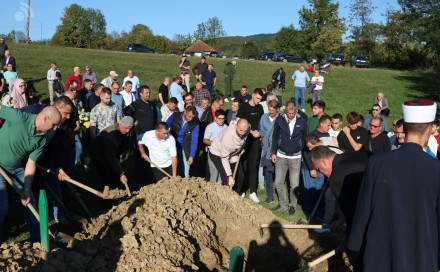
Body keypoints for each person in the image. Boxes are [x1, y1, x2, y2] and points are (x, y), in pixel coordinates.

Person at [348, 99, 440, 272]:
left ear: (404, 128)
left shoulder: (377, 162)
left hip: (380, 252)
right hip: (421, 255)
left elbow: (363, 209)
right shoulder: (436, 169)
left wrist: (355, 245)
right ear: (429, 130)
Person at [0, 105, 62, 242]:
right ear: (45, 118)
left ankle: (38, 239)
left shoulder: (42, 139)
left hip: (16, 168)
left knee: (30, 202)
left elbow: (31, 163)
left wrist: (27, 189)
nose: (55, 128)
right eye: (54, 125)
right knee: (2, 207)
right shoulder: (19, 117)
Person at [310, 145, 371, 271]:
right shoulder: (357, 154)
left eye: (319, 169)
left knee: (356, 255)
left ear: (323, 161)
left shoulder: (337, 178)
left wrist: (349, 238)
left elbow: (352, 214)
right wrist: (340, 220)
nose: (322, 174)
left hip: (371, 222)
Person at [271, 101, 307, 215]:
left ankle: (293, 206)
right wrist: (273, 152)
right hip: (281, 156)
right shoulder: (280, 119)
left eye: (292, 113)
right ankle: (282, 204)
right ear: (285, 111)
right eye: (288, 113)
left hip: (296, 157)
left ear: (296, 110)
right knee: (278, 183)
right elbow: (275, 136)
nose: (290, 115)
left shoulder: (302, 120)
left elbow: (305, 137)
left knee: (294, 184)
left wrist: (302, 153)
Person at [235, 88, 264, 203]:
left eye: (261, 99)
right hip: (244, 140)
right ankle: (241, 190)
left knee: (253, 167)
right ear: (253, 95)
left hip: (255, 142)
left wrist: (260, 133)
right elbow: (238, 122)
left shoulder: (260, 108)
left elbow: (262, 123)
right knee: (242, 166)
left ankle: (253, 192)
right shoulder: (244, 107)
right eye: (257, 98)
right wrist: (251, 132)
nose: (258, 101)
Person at [89, 116, 133, 189]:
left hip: (109, 151)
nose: (128, 131)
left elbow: (117, 151)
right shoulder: (110, 136)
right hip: (97, 153)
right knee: (106, 174)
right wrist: (121, 173)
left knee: (114, 172)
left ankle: (117, 188)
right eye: (126, 128)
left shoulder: (123, 131)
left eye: (130, 128)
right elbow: (111, 157)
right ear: (120, 124)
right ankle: (107, 194)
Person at [209, 119, 250, 187]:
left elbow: (243, 139)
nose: (243, 133)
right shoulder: (228, 137)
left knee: (240, 176)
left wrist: (242, 147)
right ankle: (225, 195)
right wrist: (229, 175)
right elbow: (224, 158)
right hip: (217, 153)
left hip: (232, 153)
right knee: (225, 177)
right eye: (241, 130)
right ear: (236, 126)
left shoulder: (247, 128)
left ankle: (236, 195)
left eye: (245, 131)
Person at [166, 106, 199, 178]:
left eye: (192, 117)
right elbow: (165, 126)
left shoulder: (195, 123)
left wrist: (191, 155)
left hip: (185, 148)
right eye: (189, 116)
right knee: (171, 169)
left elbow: (194, 140)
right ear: (185, 112)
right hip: (172, 147)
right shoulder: (175, 116)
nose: (190, 119)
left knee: (186, 172)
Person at [259, 100, 280, 203]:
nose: (271, 111)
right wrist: (261, 135)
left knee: (279, 173)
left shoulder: (281, 119)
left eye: (273, 110)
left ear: (277, 110)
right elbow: (261, 130)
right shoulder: (263, 118)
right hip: (266, 149)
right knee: (268, 173)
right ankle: (270, 196)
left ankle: (281, 196)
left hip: (278, 150)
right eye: (269, 109)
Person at [204, 109, 228, 183]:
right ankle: (213, 190)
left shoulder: (226, 127)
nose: (222, 121)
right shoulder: (210, 127)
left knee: (222, 172)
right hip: (212, 152)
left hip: (223, 152)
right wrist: (215, 144)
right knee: (214, 172)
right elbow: (205, 140)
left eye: (223, 119)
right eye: (220, 119)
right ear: (215, 118)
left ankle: (220, 189)